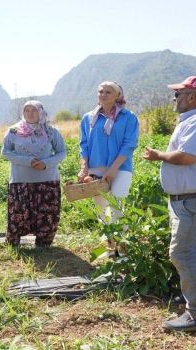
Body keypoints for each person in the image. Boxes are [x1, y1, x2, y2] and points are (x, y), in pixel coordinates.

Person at [142, 76, 196, 332]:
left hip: (193, 202)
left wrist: (158, 156)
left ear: (192, 97)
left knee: (183, 253)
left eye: (178, 94)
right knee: (193, 252)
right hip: (191, 200)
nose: (174, 98)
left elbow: (188, 157)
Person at [78, 81, 139, 257]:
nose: (103, 94)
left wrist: (112, 170)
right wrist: (84, 168)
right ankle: (110, 247)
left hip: (120, 168)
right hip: (96, 168)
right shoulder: (88, 118)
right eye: (101, 91)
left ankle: (123, 248)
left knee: (118, 207)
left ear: (118, 96)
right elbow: (84, 145)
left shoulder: (128, 117)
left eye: (108, 92)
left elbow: (129, 145)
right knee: (101, 209)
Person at [1, 100, 66, 247]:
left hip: (47, 179)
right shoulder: (13, 131)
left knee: (47, 213)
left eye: (34, 110)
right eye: (27, 110)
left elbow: (62, 152)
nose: (30, 113)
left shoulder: (51, 131)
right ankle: (13, 243)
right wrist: (28, 161)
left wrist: (46, 163)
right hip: (21, 179)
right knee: (18, 212)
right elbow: (5, 152)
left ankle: (43, 244)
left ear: (41, 112)